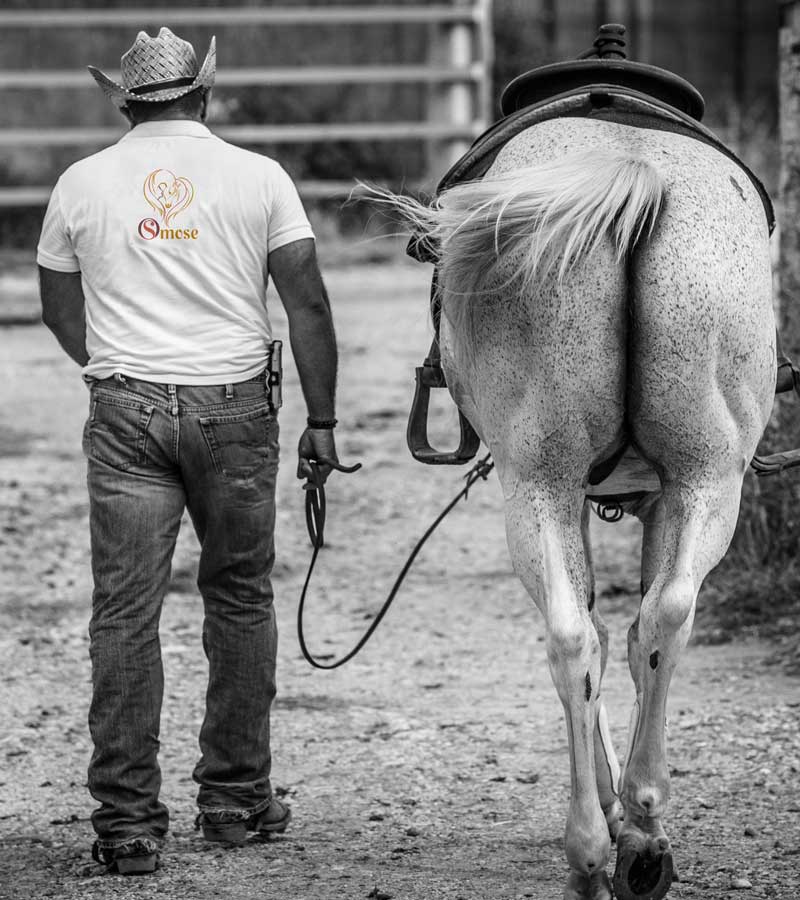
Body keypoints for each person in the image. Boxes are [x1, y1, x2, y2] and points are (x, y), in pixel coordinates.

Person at [37, 27, 341, 875]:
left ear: (127, 102)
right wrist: (322, 421)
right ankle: (236, 800)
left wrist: (113, 375)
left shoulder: (81, 182)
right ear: (203, 97)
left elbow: (60, 307)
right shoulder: (260, 177)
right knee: (240, 597)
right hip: (236, 409)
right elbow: (307, 304)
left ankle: (128, 822)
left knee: (125, 612)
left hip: (127, 408)